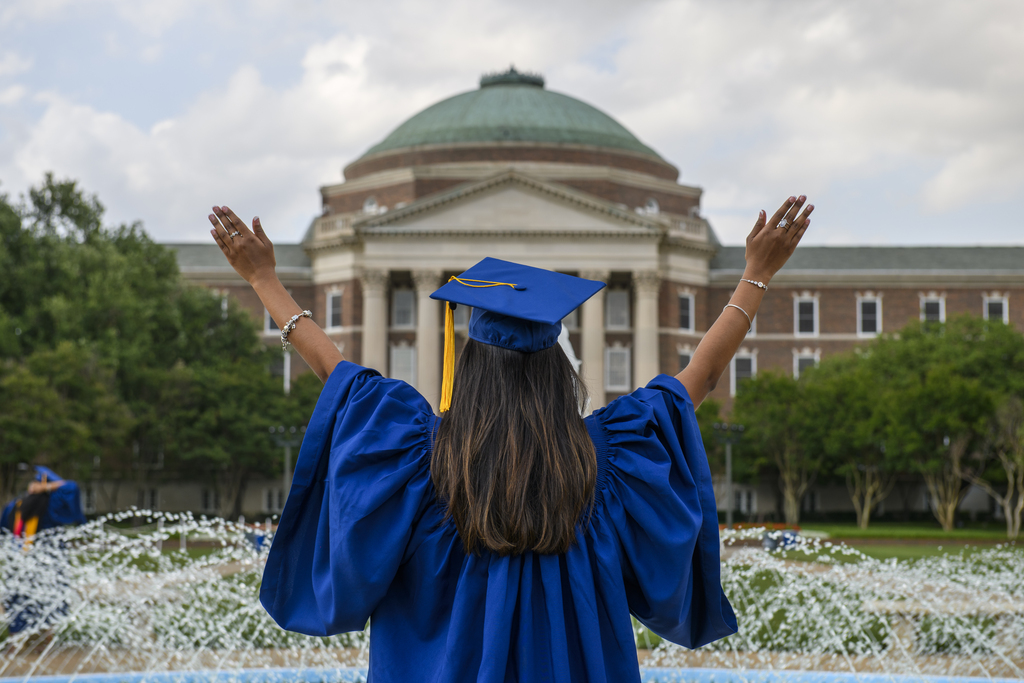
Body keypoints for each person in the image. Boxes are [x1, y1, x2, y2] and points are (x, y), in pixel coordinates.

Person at [207, 195, 812, 683]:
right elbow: (698, 379)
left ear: (469, 368)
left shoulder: (414, 458)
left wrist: (263, 279)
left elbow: (333, 370)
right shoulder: (611, 459)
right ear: (559, 371)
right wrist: (755, 275)